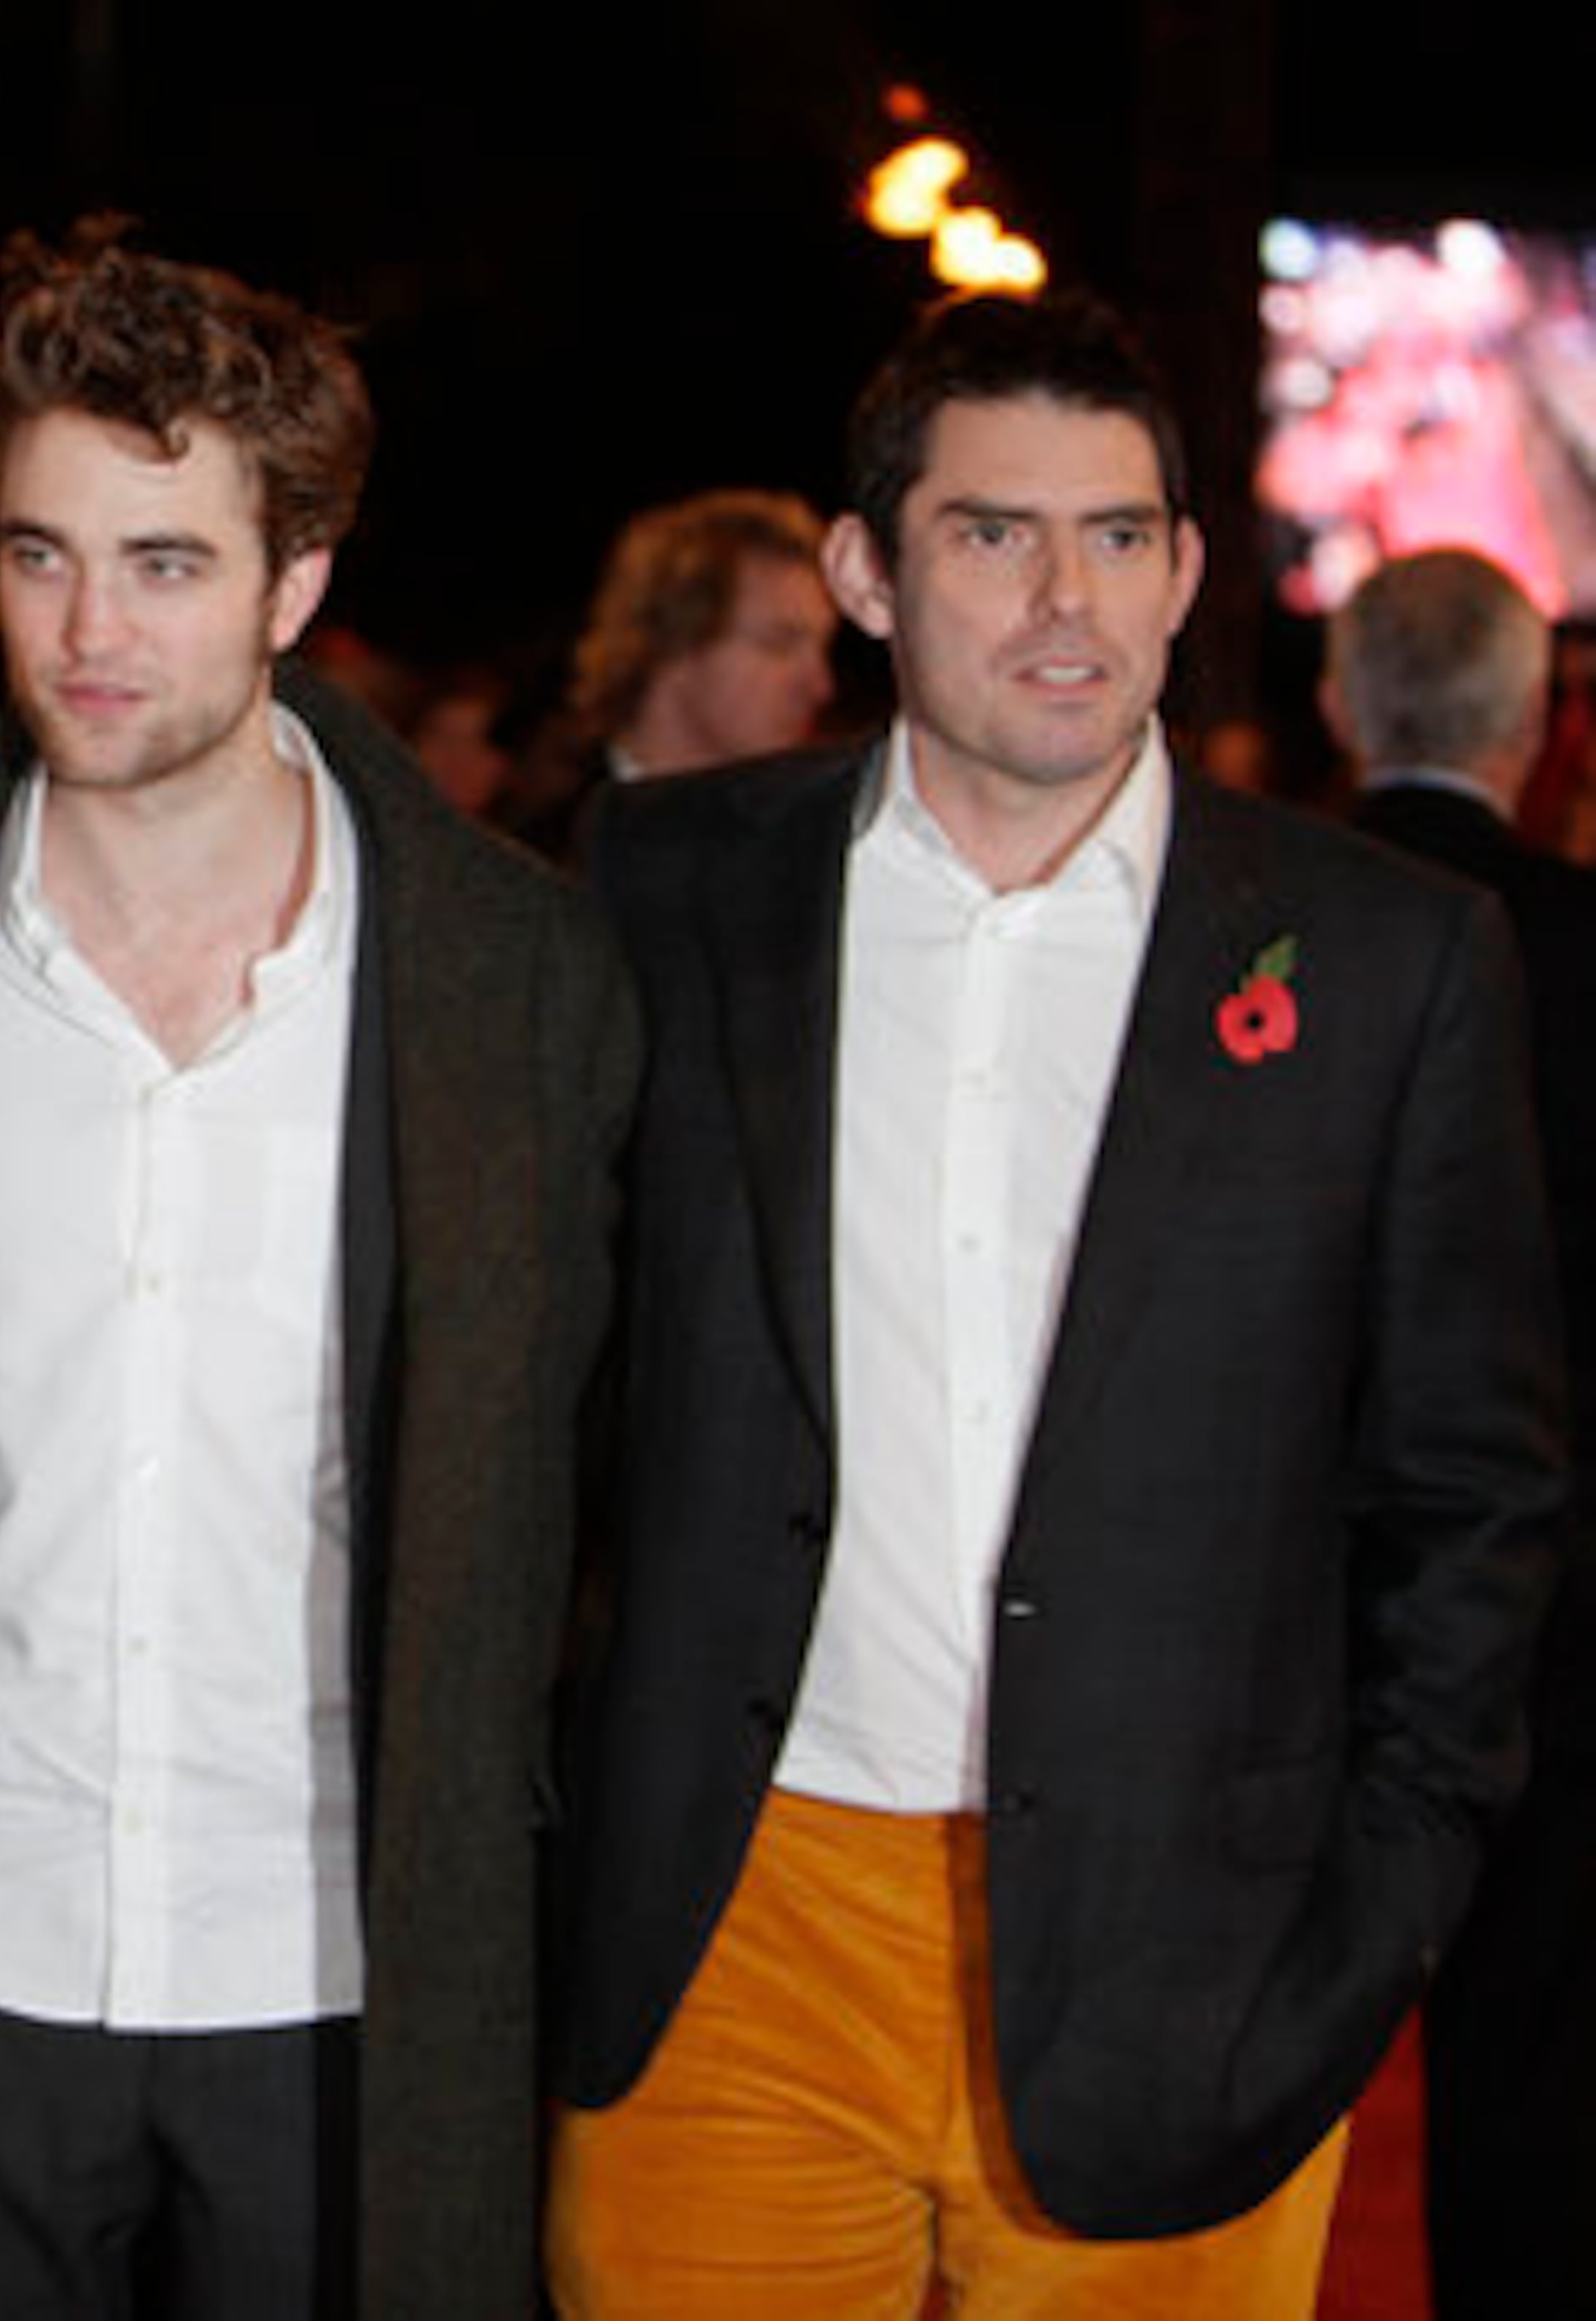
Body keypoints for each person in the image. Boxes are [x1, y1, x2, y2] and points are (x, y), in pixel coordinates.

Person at [550, 290, 1567, 2312]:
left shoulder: (1389, 956)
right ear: (865, 570)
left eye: (1114, 536)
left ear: (1187, 572)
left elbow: (1474, 1488)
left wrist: (1373, 1918)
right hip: (733, 1925)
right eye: (991, 533)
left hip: (1188, 1940)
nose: (1062, 602)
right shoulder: (668, 890)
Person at [0, 216, 638, 2315]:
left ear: (292, 582)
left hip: (335, 1971)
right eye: (40, 555)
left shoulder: (516, 977)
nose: (88, 632)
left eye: (163, 564)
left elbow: (593, 1471)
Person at [1327, 545, 1596, 2320]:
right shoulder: (1575, 939)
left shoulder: (1246, 927)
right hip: (1558, 1595)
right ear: (1531, 720)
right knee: (1535, 2049)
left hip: (1280, 1587)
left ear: (1342, 703)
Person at [519, 486, 837, 859]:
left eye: (822, 649)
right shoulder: (543, 861)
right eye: (779, 643)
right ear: (676, 641)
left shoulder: (798, 853)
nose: (821, 686)